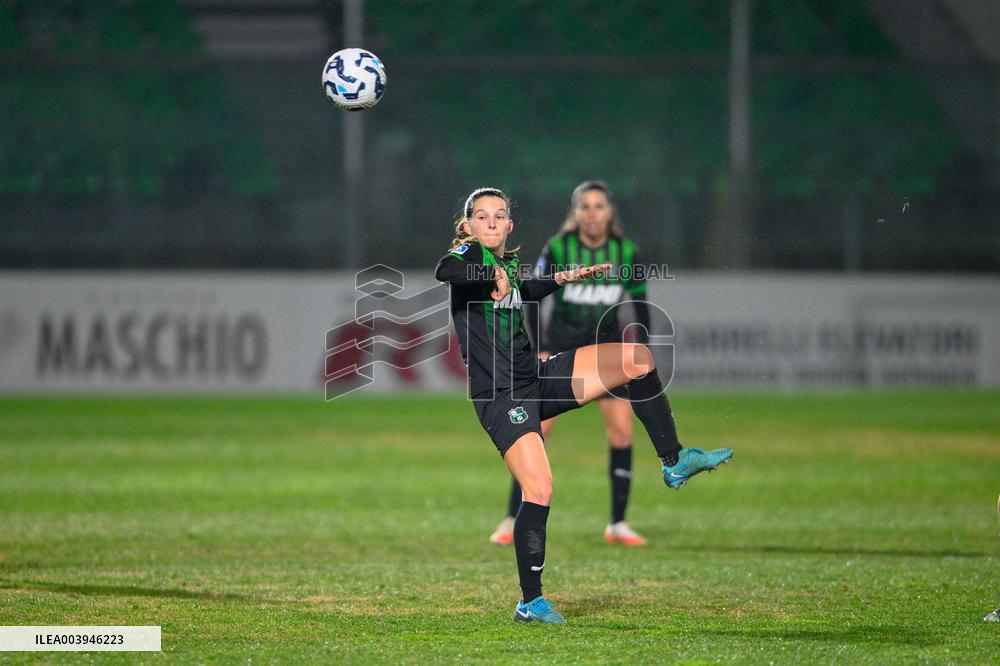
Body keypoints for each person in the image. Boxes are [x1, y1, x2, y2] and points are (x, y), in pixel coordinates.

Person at [434, 187, 733, 624]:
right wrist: (489, 278)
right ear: (469, 226)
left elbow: (523, 290)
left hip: (533, 379)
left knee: (637, 360)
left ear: (510, 224)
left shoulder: (507, 264)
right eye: (482, 217)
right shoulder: (470, 257)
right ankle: (529, 602)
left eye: (500, 216)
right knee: (539, 490)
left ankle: (674, 459)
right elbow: (446, 269)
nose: (492, 223)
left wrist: (561, 279)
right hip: (500, 396)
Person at [489, 180, 654, 548]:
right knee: (534, 432)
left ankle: (618, 523)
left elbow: (640, 307)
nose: (591, 213)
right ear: (575, 212)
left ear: (609, 212)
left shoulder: (626, 252)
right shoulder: (559, 248)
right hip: (561, 349)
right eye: (584, 206)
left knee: (622, 432)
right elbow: (531, 297)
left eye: (598, 206)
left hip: (605, 348)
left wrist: (641, 352)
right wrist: (537, 348)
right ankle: (511, 518)